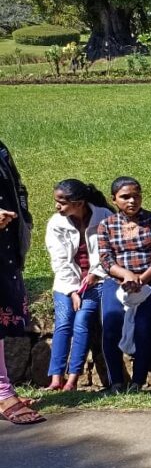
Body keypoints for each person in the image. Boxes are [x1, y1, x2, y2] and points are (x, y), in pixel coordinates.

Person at [96, 176, 151, 393]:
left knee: (143, 326)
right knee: (110, 326)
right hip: (118, 281)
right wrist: (126, 275)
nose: (132, 201)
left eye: (136, 196)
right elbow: (106, 259)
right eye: (125, 197)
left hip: (150, 281)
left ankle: (138, 382)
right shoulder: (106, 225)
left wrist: (141, 278)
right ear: (114, 199)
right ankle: (116, 382)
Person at [44, 179, 113, 391]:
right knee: (64, 323)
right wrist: (74, 290)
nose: (58, 207)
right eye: (56, 201)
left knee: (82, 321)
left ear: (79, 203)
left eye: (62, 202)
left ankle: (73, 378)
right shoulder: (56, 223)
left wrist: (94, 275)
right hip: (67, 283)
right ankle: (56, 378)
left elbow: (109, 254)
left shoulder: (104, 217)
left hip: (96, 280)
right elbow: (60, 261)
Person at [0, 140, 44, 424]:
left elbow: (17, 188)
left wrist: (23, 219)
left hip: (4, 246)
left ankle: (3, 390)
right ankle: (3, 393)